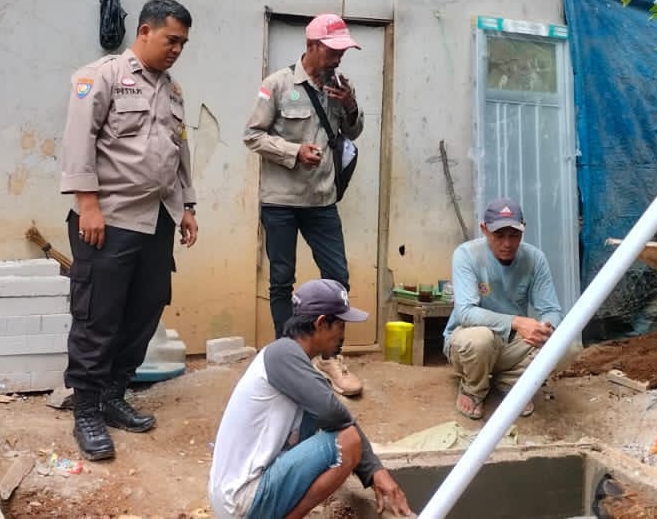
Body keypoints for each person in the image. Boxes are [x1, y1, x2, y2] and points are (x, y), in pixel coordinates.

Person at [59, 0, 200, 461]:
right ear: (144, 31)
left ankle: (113, 394)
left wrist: (188, 206)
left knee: (144, 310)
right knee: (97, 315)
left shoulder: (173, 90)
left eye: (183, 43)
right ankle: (86, 410)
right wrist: (87, 205)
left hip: (157, 219)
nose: (177, 49)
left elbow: (179, 150)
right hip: (110, 217)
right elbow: (78, 140)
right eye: (171, 40)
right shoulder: (100, 77)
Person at [208, 279, 411, 519]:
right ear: (321, 323)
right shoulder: (283, 354)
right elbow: (337, 416)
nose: (343, 335)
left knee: (321, 426)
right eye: (341, 325)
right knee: (348, 441)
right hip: (243, 498)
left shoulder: (288, 357)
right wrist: (376, 471)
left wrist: (373, 469)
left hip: (236, 495)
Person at [243, 13, 366, 397]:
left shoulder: (341, 85)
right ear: (312, 45)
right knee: (282, 280)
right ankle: (288, 359)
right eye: (333, 50)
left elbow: (354, 130)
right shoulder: (277, 85)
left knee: (338, 278)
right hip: (281, 201)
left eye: (343, 51)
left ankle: (331, 358)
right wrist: (294, 151)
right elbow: (252, 135)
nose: (339, 57)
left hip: (322, 200)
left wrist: (350, 105)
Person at [443, 197, 575, 420]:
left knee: (562, 344)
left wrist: (546, 328)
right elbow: (465, 313)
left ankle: (512, 382)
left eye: (514, 235)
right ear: (484, 229)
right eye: (499, 235)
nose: (507, 243)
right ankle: (474, 389)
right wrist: (517, 321)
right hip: (470, 340)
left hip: (511, 344)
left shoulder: (535, 258)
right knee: (480, 339)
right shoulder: (467, 255)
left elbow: (551, 309)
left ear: (523, 229)